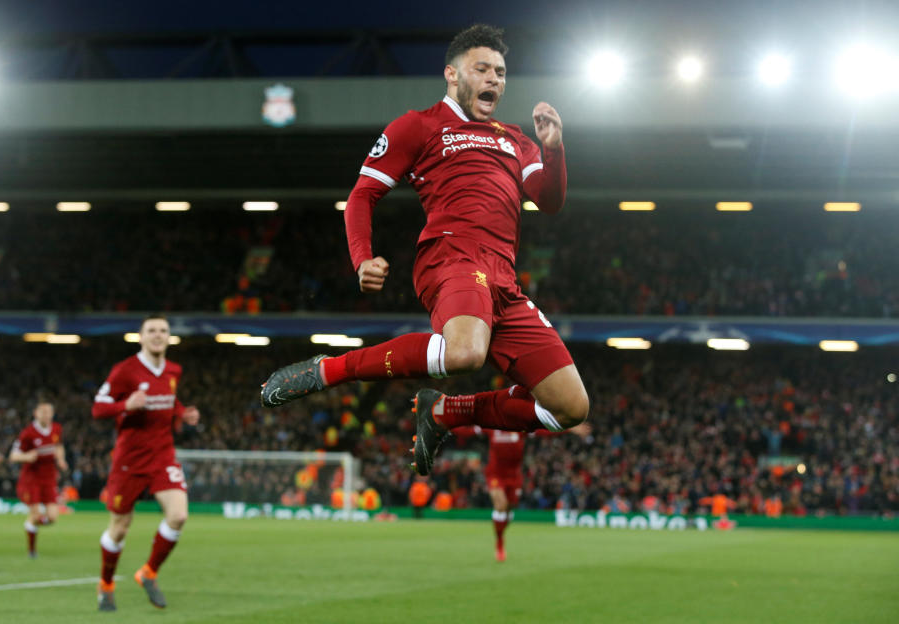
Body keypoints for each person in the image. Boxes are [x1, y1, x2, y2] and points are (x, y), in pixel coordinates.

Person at [260, 24, 589, 477]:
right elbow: (361, 195)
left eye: (500, 71)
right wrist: (362, 257)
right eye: (482, 69)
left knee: (570, 407)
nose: (494, 78)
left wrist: (554, 151)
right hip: (452, 258)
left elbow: (548, 201)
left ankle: (445, 413)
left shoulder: (516, 138)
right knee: (465, 354)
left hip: (504, 280)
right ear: (452, 75)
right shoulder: (420, 125)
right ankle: (331, 370)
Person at [91, 315, 200, 612]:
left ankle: (148, 572)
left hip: (163, 455)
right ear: (140, 337)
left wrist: (182, 413)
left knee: (178, 515)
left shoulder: (174, 370)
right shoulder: (124, 371)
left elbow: (168, 400)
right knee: (120, 527)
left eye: (163, 331)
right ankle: (106, 584)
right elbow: (98, 409)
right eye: (151, 330)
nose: (157, 335)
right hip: (129, 460)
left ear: (168, 337)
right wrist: (124, 405)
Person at [453, 420, 589, 561]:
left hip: (514, 477)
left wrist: (568, 428)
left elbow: (544, 431)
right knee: (500, 505)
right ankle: (499, 542)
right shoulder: (491, 425)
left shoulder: (521, 426)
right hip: (495, 474)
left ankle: (501, 529)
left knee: (509, 508)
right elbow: (467, 431)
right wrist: (447, 424)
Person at [9, 395, 68, 558]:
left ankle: (31, 524)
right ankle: (32, 550)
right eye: (43, 412)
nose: (46, 414)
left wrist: (61, 459)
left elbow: (59, 446)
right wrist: (26, 457)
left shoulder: (56, 429)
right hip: (31, 479)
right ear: (35, 413)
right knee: (35, 514)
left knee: (53, 517)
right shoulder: (28, 433)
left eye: (49, 411)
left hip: (49, 479)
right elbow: (13, 456)